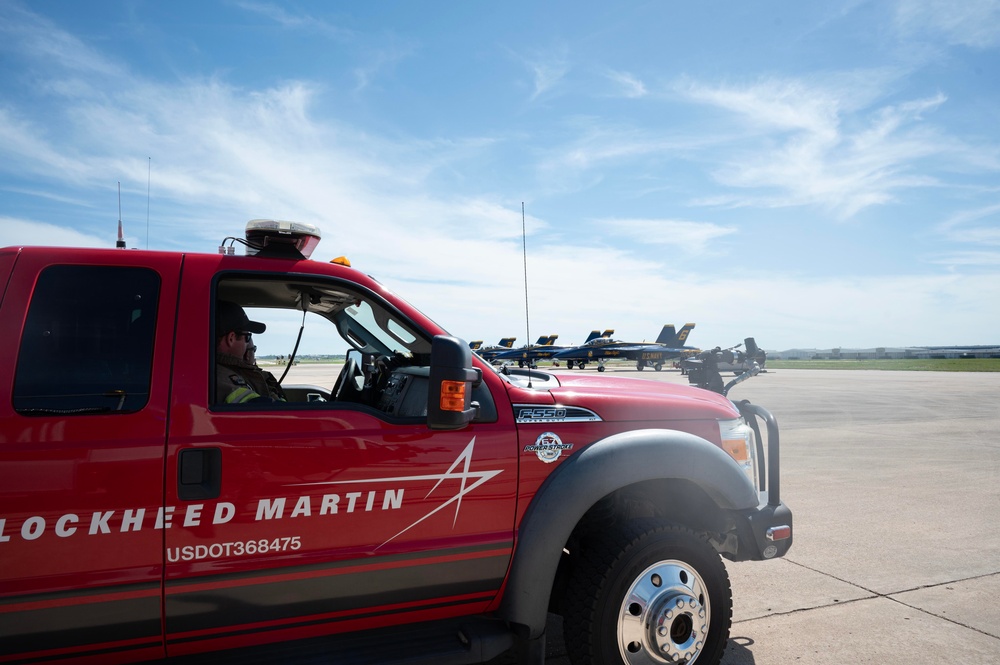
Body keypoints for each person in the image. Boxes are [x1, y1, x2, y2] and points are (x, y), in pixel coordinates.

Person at [215, 300, 284, 404]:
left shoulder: (223, 370)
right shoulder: (222, 378)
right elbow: (266, 411)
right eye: (247, 337)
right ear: (231, 339)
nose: (248, 344)